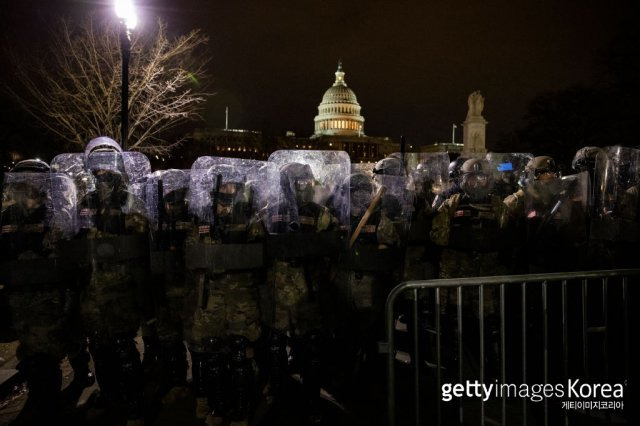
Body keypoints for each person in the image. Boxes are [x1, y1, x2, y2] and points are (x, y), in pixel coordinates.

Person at [0, 159, 84, 422]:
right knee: (30, 354)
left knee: (46, 356)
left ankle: (45, 407)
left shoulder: (54, 215)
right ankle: (41, 402)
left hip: (48, 298)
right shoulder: (8, 215)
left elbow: (63, 256)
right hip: (19, 296)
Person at [184, 162, 266, 426]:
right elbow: (191, 252)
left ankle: (241, 411)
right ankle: (218, 407)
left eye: (233, 185)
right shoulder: (204, 219)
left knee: (241, 355)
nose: (229, 189)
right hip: (212, 298)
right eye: (224, 185)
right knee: (213, 355)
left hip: (242, 298)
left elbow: (261, 250)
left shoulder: (251, 217)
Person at [75, 138, 150, 425]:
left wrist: (119, 227)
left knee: (123, 347)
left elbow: (141, 235)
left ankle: (135, 406)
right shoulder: (87, 201)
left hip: (122, 287)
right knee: (100, 349)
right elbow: (76, 234)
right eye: (98, 167)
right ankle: (111, 397)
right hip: (94, 288)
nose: (102, 172)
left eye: (107, 167)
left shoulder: (129, 199)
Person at [264, 159, 343, 422]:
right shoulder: (274, 211)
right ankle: (281, 393)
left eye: (304, 182)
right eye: (297, 182)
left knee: (309, 348)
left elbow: (333, 242)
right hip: (287, 289)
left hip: (304, 290)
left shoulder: (316, 213)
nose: (302, 187)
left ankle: (307, 398)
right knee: (278, 346)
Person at [144, 169, 191, 407]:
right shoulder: (154, 220)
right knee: (169, 341)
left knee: (196, 341)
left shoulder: (192, 216)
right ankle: (176, 382)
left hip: (187, 289)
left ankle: (197, 387)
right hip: (163, 289)